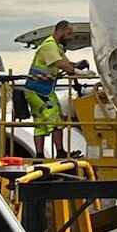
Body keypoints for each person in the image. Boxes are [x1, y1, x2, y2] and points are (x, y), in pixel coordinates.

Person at [24, 20, 90, 159]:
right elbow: (61, 65)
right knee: (56, 121)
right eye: (69, 34)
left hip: (40, 90)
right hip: (39, 90)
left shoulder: (56, 47)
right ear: (60, 30)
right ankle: (59, 152)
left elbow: (67, 64)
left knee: (41, 124)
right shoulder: (49, 46)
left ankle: (40, 155)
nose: (70, 37)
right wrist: (79, 73)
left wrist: (78, 65)